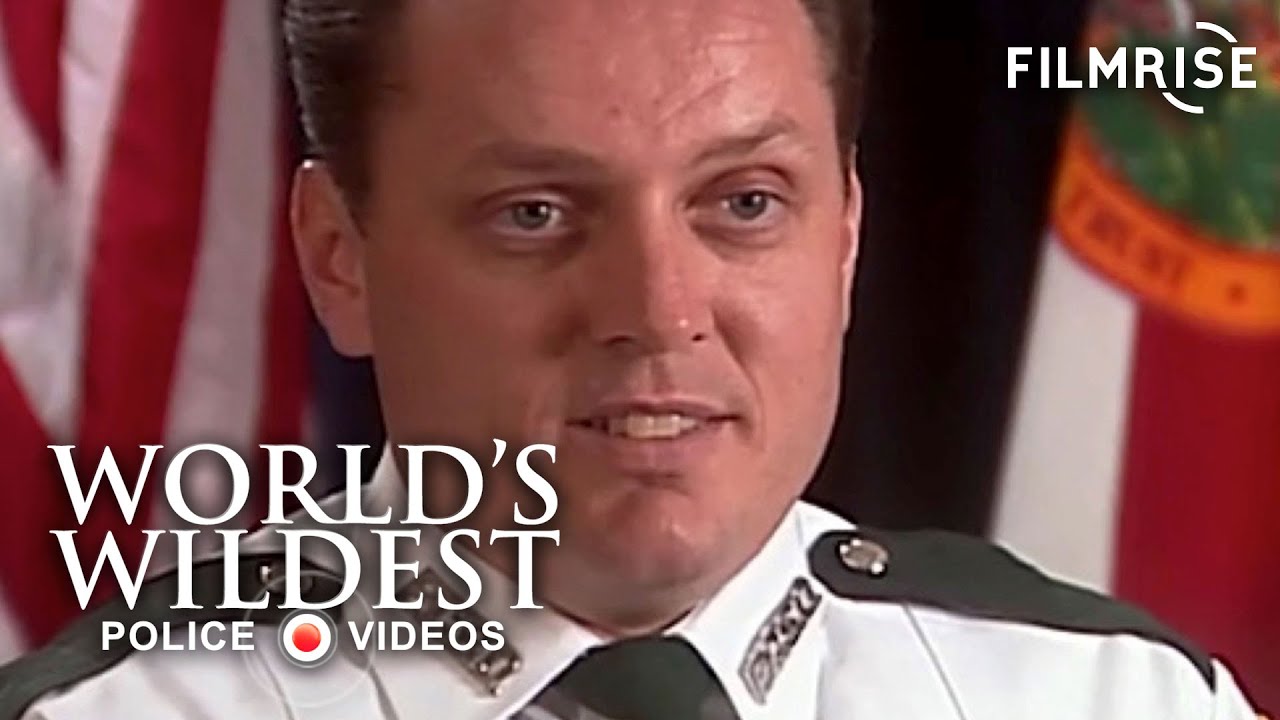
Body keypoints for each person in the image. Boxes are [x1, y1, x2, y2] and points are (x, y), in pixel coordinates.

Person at [0, 0, 1264, 718]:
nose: (657, 312)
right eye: (536, 214)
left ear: (844, 238)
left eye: (744, 203)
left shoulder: (1110, 701)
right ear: (340, 259)